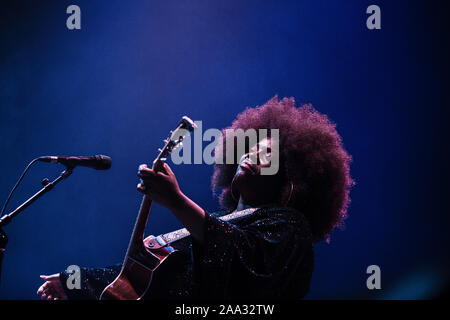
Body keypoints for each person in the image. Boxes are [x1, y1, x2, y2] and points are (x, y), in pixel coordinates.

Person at [37, 96, 353, 300]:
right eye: (253, 145)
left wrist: (176, 201)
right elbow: (129, 277)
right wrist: (70, 281)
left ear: (290, 180)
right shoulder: (204, 231)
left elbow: (244, 262)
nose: (252, 152)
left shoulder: (291, 226)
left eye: (267, 153)